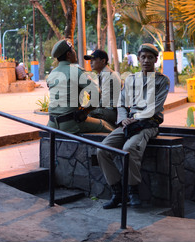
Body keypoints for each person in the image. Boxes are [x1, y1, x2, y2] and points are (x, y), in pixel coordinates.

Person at [97, 43, 170, 209]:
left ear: (156, 60)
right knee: (102, 149)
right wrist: (123, 119)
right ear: (138, 59)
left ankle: (133, 191)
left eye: (150, 57)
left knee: (129, 149)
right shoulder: (131, 79)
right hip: (129, 124)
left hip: (147, 124)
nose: (146, 60)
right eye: (143, 57)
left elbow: (155, 107)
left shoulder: (162, 81)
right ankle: (117, 192)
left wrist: (135, 118)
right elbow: (121, 103)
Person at [46, 39, 115, 134]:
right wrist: (86, 110)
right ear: (68, 55)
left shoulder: (52, 74)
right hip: (70, 124)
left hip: (52, 124)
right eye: (73, 50)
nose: (75, 53)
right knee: (104, 125)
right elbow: (96, 92)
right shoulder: (76, 71)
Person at [83, 49, 121, 128]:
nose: (91, 62)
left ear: (103, 61)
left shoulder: (108, 75)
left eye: (94, 60)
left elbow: (104, 101)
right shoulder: (103, 74)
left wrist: (87, 108)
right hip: (111, 110)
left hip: (114, 111)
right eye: (90, 60)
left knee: (85, 114)